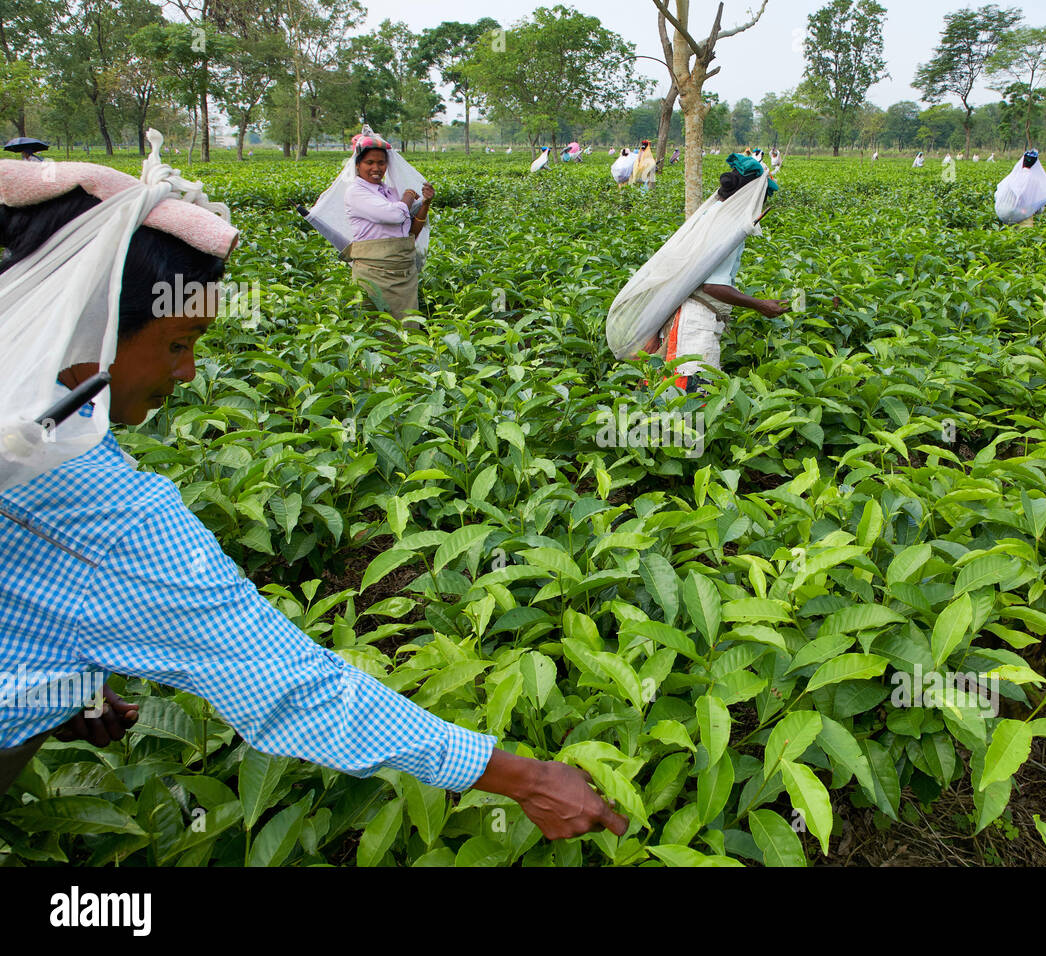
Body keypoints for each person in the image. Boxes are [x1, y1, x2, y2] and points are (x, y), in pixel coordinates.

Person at [0, 153, 628, 841]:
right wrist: (529, 780)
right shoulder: (108, 512)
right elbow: (291, 683)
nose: (188, 372)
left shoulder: (36, 417)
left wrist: (58, 677)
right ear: (87, 327)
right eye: (179, 342)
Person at [643, 155, 789, 392]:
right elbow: (713, 286)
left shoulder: (712, 212)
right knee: (691, 395)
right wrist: (760, 304)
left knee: (672, 391)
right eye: (763, 196)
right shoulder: (730, 226)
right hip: (695, 323)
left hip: (684, 313)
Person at [342, 133, 432, 324]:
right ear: (357, 165)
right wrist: (408, 195)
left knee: (408, 330)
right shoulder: (356, 192)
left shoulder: (390, 193)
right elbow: (395, 215)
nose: (376, 168)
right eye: (369, 162)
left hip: (404, 275)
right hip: (375, 274)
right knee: (381, 331)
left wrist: (425, 204)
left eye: (381, 163)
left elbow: (409, 235)